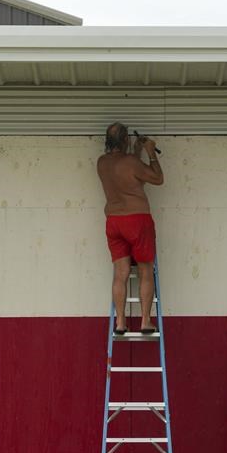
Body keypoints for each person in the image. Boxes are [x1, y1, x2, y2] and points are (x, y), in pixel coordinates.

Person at [96, 122, 163, 335]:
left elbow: (129, 178)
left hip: (114, 221)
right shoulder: (131, 163)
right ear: (126, 139)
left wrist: (135, 152)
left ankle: (120, 323)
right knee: (145, 270)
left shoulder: (102, 163)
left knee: (121, 273)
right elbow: (157, 178)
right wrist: (151, 153)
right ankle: (145, 321)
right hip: (137, 220)